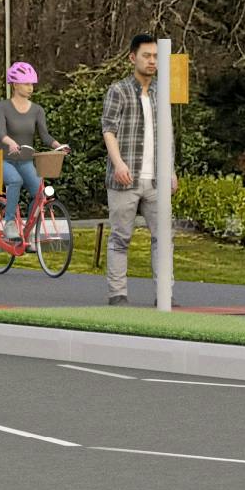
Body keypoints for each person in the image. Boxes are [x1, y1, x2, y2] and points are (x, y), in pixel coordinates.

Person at [101, 35, 162, 303]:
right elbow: (109, 129)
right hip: (125, 178)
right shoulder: (119, 90)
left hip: (155, 180)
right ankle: (118, 294)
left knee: (163, 239)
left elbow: (166, 134)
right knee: (120, 237)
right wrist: (118, 163)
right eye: (146, 55)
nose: (151, 61)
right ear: (132, 58)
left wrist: (169, 170)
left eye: (155, 56)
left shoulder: (162, 93)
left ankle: (164, 294)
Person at [0, 62, 52, 253]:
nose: (30, 87)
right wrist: (9, 142)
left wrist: (59, 146)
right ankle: (9, 223)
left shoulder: (37, 110)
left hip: (26, 160)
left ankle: (30, 233)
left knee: (40, 192)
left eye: (32, 84)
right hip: (4, 159)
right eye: (26, 83)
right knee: (15, 181)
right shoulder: (2, 107)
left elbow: (45, 136)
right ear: (15, 85)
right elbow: (0, 132)